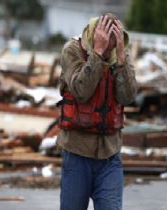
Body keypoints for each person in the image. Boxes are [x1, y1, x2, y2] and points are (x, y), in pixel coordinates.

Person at [57, 13, 138, 210]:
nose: (110, 47)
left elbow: (128, 96)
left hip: (110, 156)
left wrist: (121, 62)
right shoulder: (73, 50)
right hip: (77, 154)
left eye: (114, 41)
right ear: (95, 34)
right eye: (105, 41)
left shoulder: (118, 55)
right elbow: (80, 91)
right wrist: (97, 54)